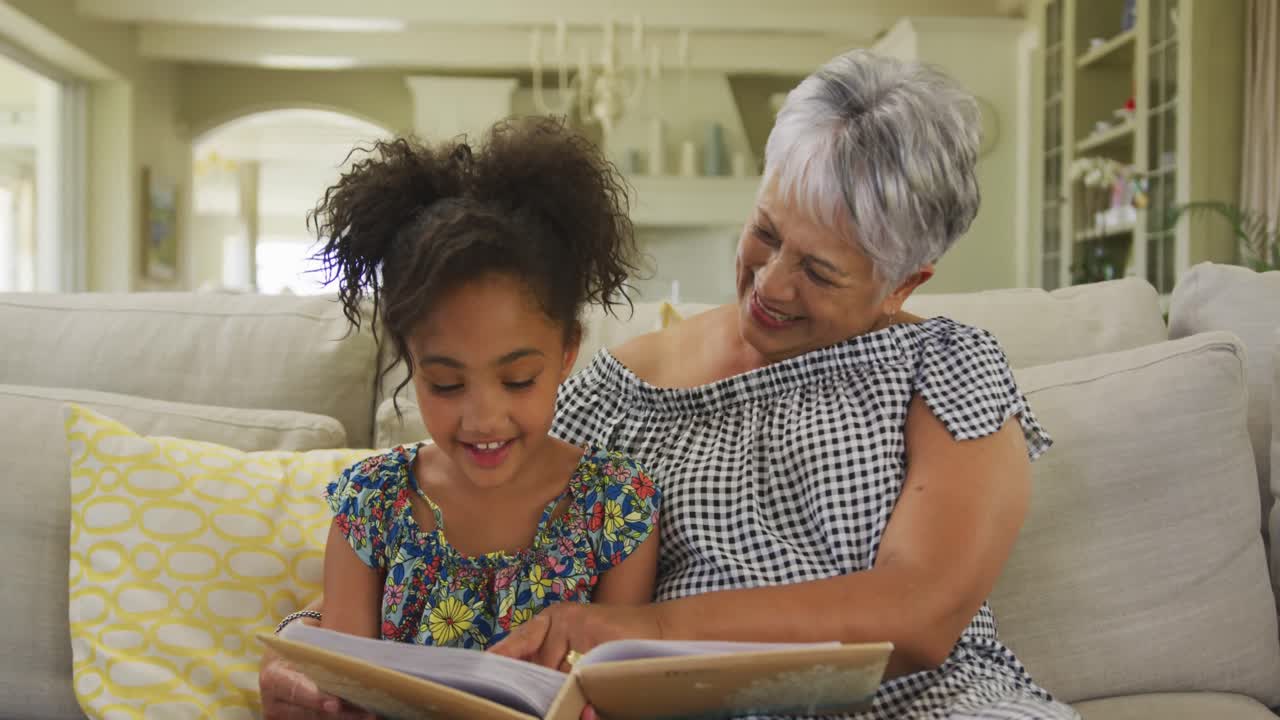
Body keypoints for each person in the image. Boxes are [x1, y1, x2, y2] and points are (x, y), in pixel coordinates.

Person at [261, 49, 1078, 720]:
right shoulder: (615, 391)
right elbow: (479, 530)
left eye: (821, 272)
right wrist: (320, 646)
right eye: (765, 232)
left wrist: (639, 627)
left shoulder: (947, 365)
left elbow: (921, 615)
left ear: (905, 282)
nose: (772, 285)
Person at [262, 117, 663, 717]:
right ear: (410, 360)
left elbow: (621, 690)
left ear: (567, 352)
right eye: (446, 383)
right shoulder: (373, 505)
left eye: (518, 379)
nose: (483, 417)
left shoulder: (616, 507)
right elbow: (342, 687)